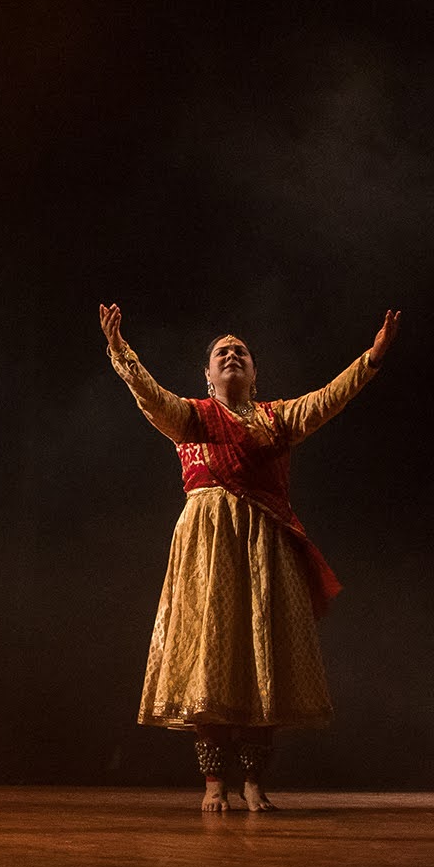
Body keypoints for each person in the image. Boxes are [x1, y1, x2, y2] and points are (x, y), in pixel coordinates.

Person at [100, 303, 400, 812]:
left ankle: (255, 781)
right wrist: (120, 350)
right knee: (209, 654)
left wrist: (371, 358)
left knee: (266, 654)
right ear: (208, 374)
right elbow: (150, 397)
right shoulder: (191, 416)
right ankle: (215, 783)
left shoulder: (277, 418)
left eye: (240, 350)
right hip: (208, 545)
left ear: (254, 373)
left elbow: (328, 399)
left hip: (266, 542)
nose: (232, 353)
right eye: (222, 351)